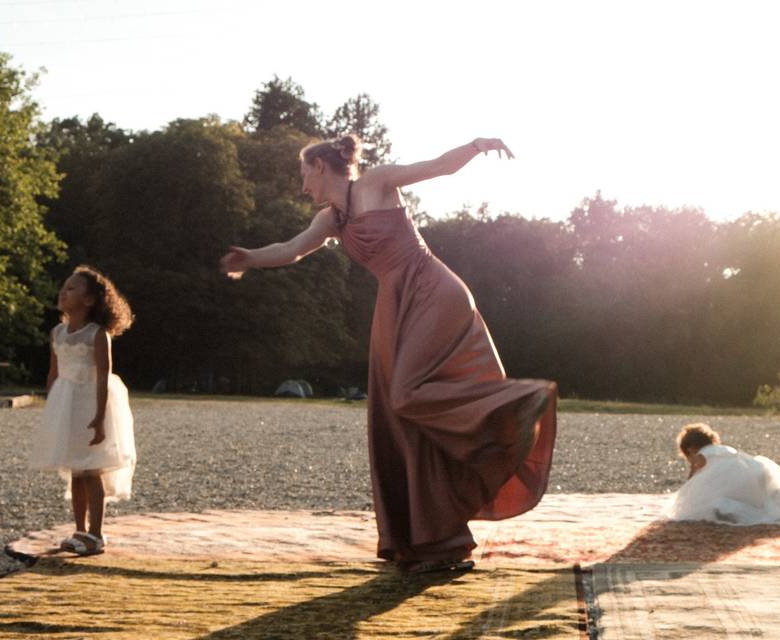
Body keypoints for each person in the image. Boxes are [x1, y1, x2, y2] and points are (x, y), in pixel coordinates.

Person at [221, 135, 557, 574]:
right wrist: (249, 258)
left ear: (321, 166)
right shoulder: (332, 219)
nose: (303, 187)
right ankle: (435, 542)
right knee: (397, 419)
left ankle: (520, 402)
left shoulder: (376, 183)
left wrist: (476, 145)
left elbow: (439, 166)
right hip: (393, 303)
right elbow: (291, 249)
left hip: (432, 288)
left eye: (304, 175)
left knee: (406, 393)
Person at [30, 265, 137, 555]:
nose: (64, 292)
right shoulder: (57, 333)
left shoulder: (96, 334)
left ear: (89, 300)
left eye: (72, 288)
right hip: (67, 403)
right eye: (64, 287)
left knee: (92, 468)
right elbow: (53, 372)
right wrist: (52, 405)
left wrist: (100, 417)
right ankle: (79, 529)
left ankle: (97, 533)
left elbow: (103, 375)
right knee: (75, 469)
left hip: (90, 401)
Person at [663, 423, 780, 525]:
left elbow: (696, 473)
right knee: (762, 500)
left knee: (706, 501)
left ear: (690, 449)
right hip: (756, 473)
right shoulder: (722, 449)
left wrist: (688, 484)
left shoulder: (701, 455)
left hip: (740, 482)